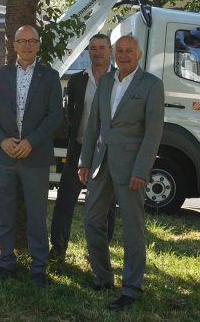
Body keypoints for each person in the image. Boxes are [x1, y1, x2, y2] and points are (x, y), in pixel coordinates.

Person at [78, 35, 164, 311]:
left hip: (131, 170)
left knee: (132, 228)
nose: (124, 55)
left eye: (129, 51)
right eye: (120, 51)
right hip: (100, 163)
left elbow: (153, 133)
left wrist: (142, 169)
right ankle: (103, 277)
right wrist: (84, 161)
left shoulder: (151, 85)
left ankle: (131, 288)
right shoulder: (106, 81)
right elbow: (94, 126)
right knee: (92, 220)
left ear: (138, 55)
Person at [0, 25, 62, 288]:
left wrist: (31, 141)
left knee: (37, 214)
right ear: (13, 45)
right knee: (5, 211)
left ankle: (38, 268)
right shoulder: (1, 74)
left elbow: (55, 117)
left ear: (39, 45)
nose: (27, 45)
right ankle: (5, 263)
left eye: (32, 41)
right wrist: (2, 140)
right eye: (22, 41)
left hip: (35, 156)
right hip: (4, 156)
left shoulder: (50, 76)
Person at [49, 34, 116, 262]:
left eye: (101, 47)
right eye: (92, 48)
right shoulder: (78, 80)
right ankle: (57, 250)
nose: (97, 52)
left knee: (105, 207)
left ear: (110, 51)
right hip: (78, 148)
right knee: (65, 201)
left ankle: (98, 254)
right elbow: (70, 113)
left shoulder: (119, 80)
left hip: (107, 153)